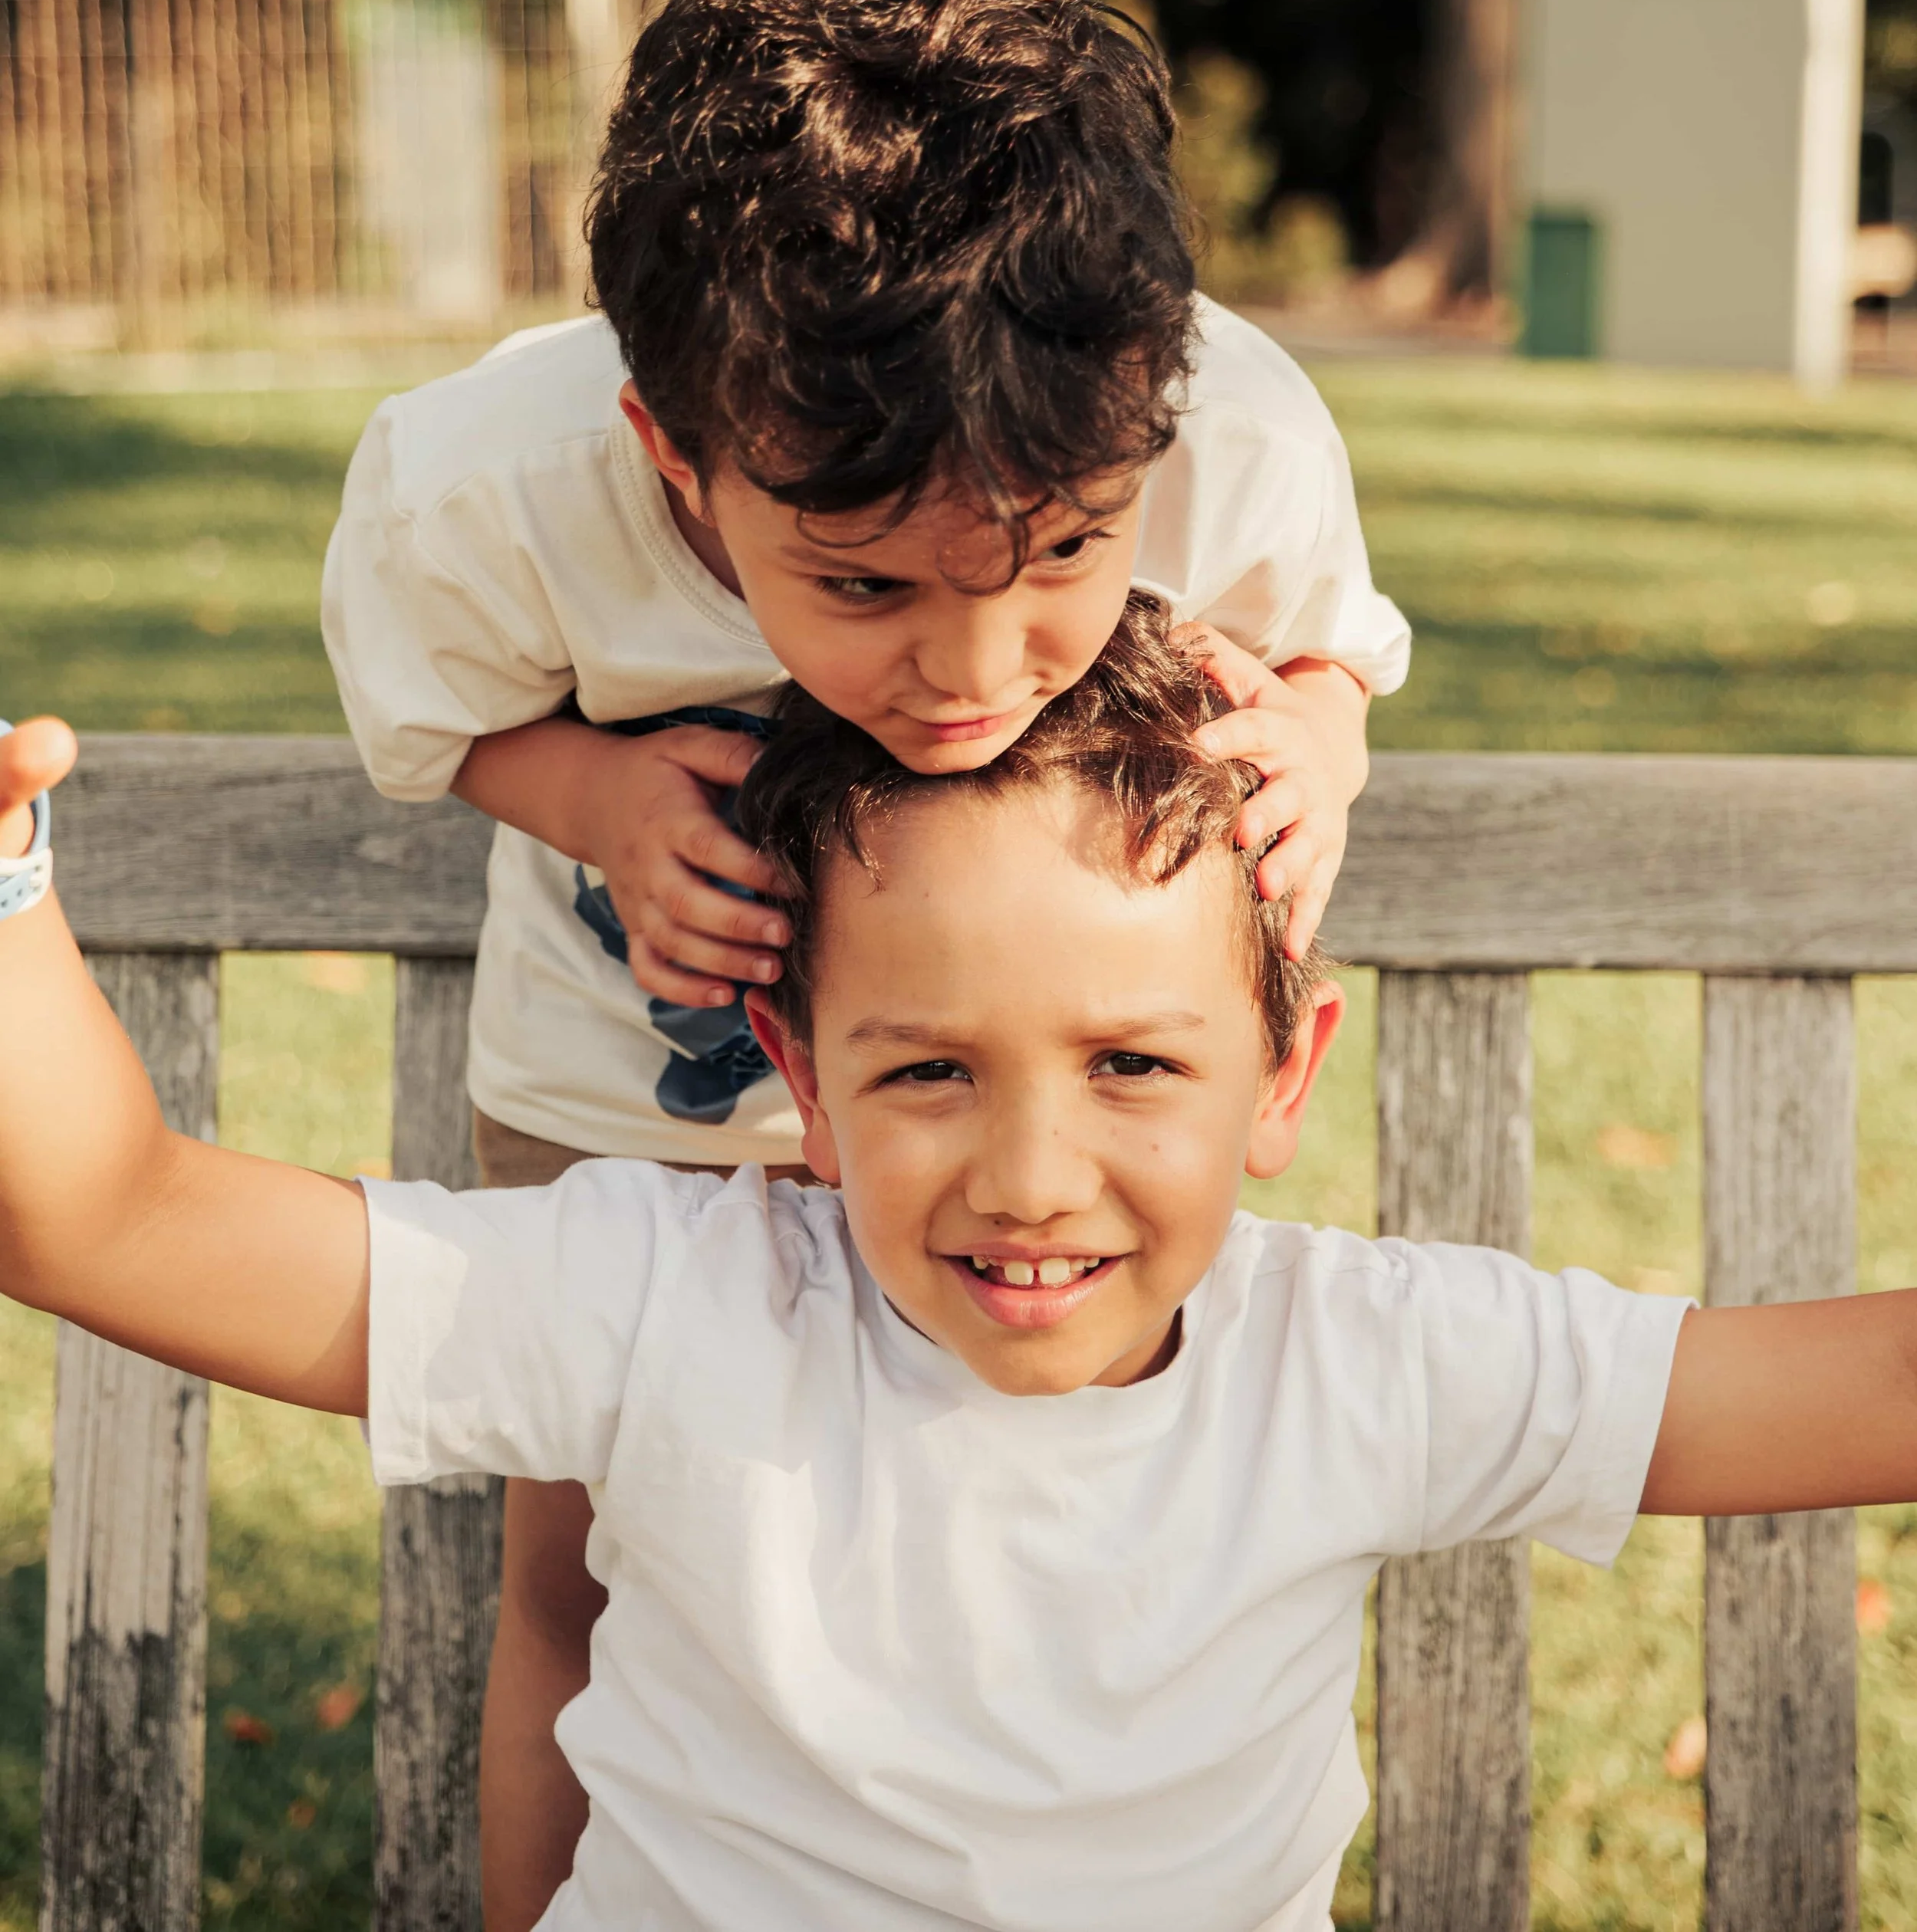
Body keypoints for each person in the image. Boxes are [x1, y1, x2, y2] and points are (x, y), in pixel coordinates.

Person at [3, 607, 1913, 1932]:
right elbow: (108, 1216)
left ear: (1282, 1075)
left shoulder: (1365, 1360)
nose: (1028, 1177)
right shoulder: (667, 1297)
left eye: (1135, 1064)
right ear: (800, 1086)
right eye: (924, 1069)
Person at [319, 0, 1412, 1921]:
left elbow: (1326, 645)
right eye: (860, 584)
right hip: (627, 1086)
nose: (978, 676)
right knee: (591, 1559)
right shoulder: (494, 484)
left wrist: (1321, 740)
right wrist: (602, 806)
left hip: (1014, 1083)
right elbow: (431, 706)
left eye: (1061, 563)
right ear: (671, 452)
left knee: (977, 1521)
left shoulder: (1224, 429)